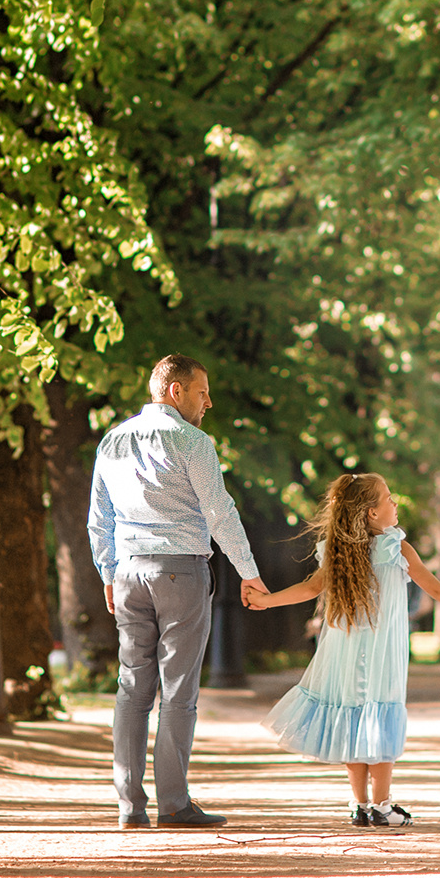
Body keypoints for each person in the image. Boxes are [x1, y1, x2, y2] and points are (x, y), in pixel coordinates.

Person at [247, 472, 440, 826]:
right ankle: (383, 805)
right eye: (388, 498)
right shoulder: (396, 547)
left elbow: (309, 588)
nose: (394, 503)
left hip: (344, 652)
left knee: (354, 717)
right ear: (372, 513)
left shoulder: (337, 549)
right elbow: (436, 590)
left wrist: (267, 601)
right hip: (381, 653)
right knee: (379, 716)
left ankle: (360, 804)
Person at [88, 354, 268, 829]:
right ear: (175, 391)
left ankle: (129, 807)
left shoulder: (112, 441)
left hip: (129, 572)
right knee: (179, 692)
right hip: (180, 572)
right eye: (202, 391)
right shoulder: (193, 442)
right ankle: (173, 804)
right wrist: (248, 571)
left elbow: (99, 520)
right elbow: (220, 513)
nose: (208, 401)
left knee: (132, 688)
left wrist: (108, 573)